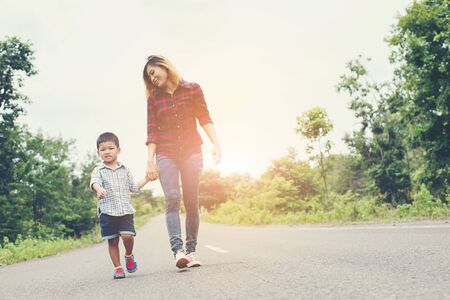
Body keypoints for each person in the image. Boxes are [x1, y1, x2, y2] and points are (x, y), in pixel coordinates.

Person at [143, 55, 221, 268]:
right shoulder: (153, 99)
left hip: (191, 151)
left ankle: (191, 251)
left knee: (191, 200)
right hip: (166, 153)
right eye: (149, 77)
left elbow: (204, 118)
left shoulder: (192, 89)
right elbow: (152, 132)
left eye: (153, 72)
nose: (152, 79)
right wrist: (150, 161)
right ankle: (178, 251)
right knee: (172, 197)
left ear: (164, 66)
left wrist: (216, 144)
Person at [90, 132, 150, 279]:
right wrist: (99, 189)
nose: (107, 152)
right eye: (103, 149)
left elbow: (134, 187)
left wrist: (148, 178)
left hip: (125, 211)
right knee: (113, 240)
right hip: (107, 211)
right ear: (98, 152)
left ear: (118, 150)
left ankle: (129, 255)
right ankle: (118, 268)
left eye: (110, 148)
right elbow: (94, 183)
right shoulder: (98, 170)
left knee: (127, 236)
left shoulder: (125, 169)